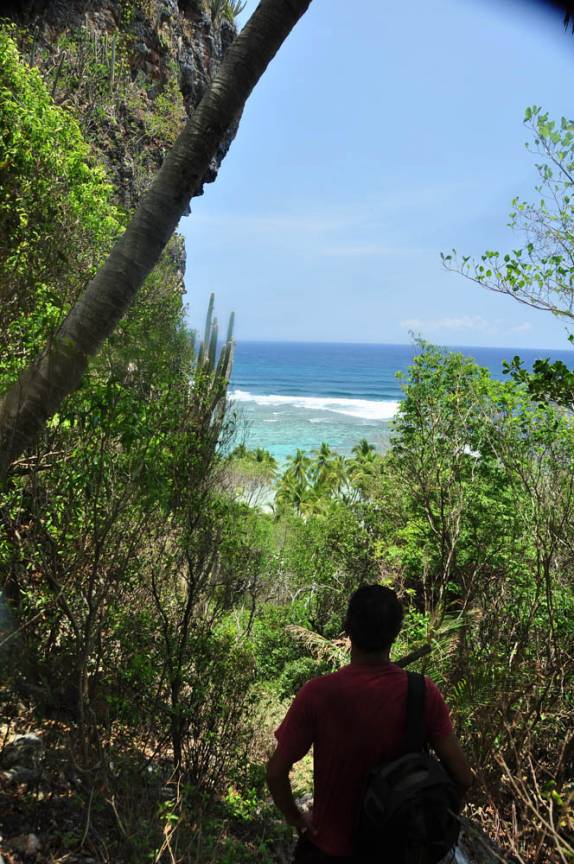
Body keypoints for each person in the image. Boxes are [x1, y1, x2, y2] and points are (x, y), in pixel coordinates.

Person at [266, 585, 473, 863]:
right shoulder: (422, 693)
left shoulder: (318, 693)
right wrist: (430, 824)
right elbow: (462, 777)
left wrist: (297, 818)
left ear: (347, 628)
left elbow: (276, 772)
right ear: (396, 633)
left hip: (328, 851)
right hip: (396, 852)